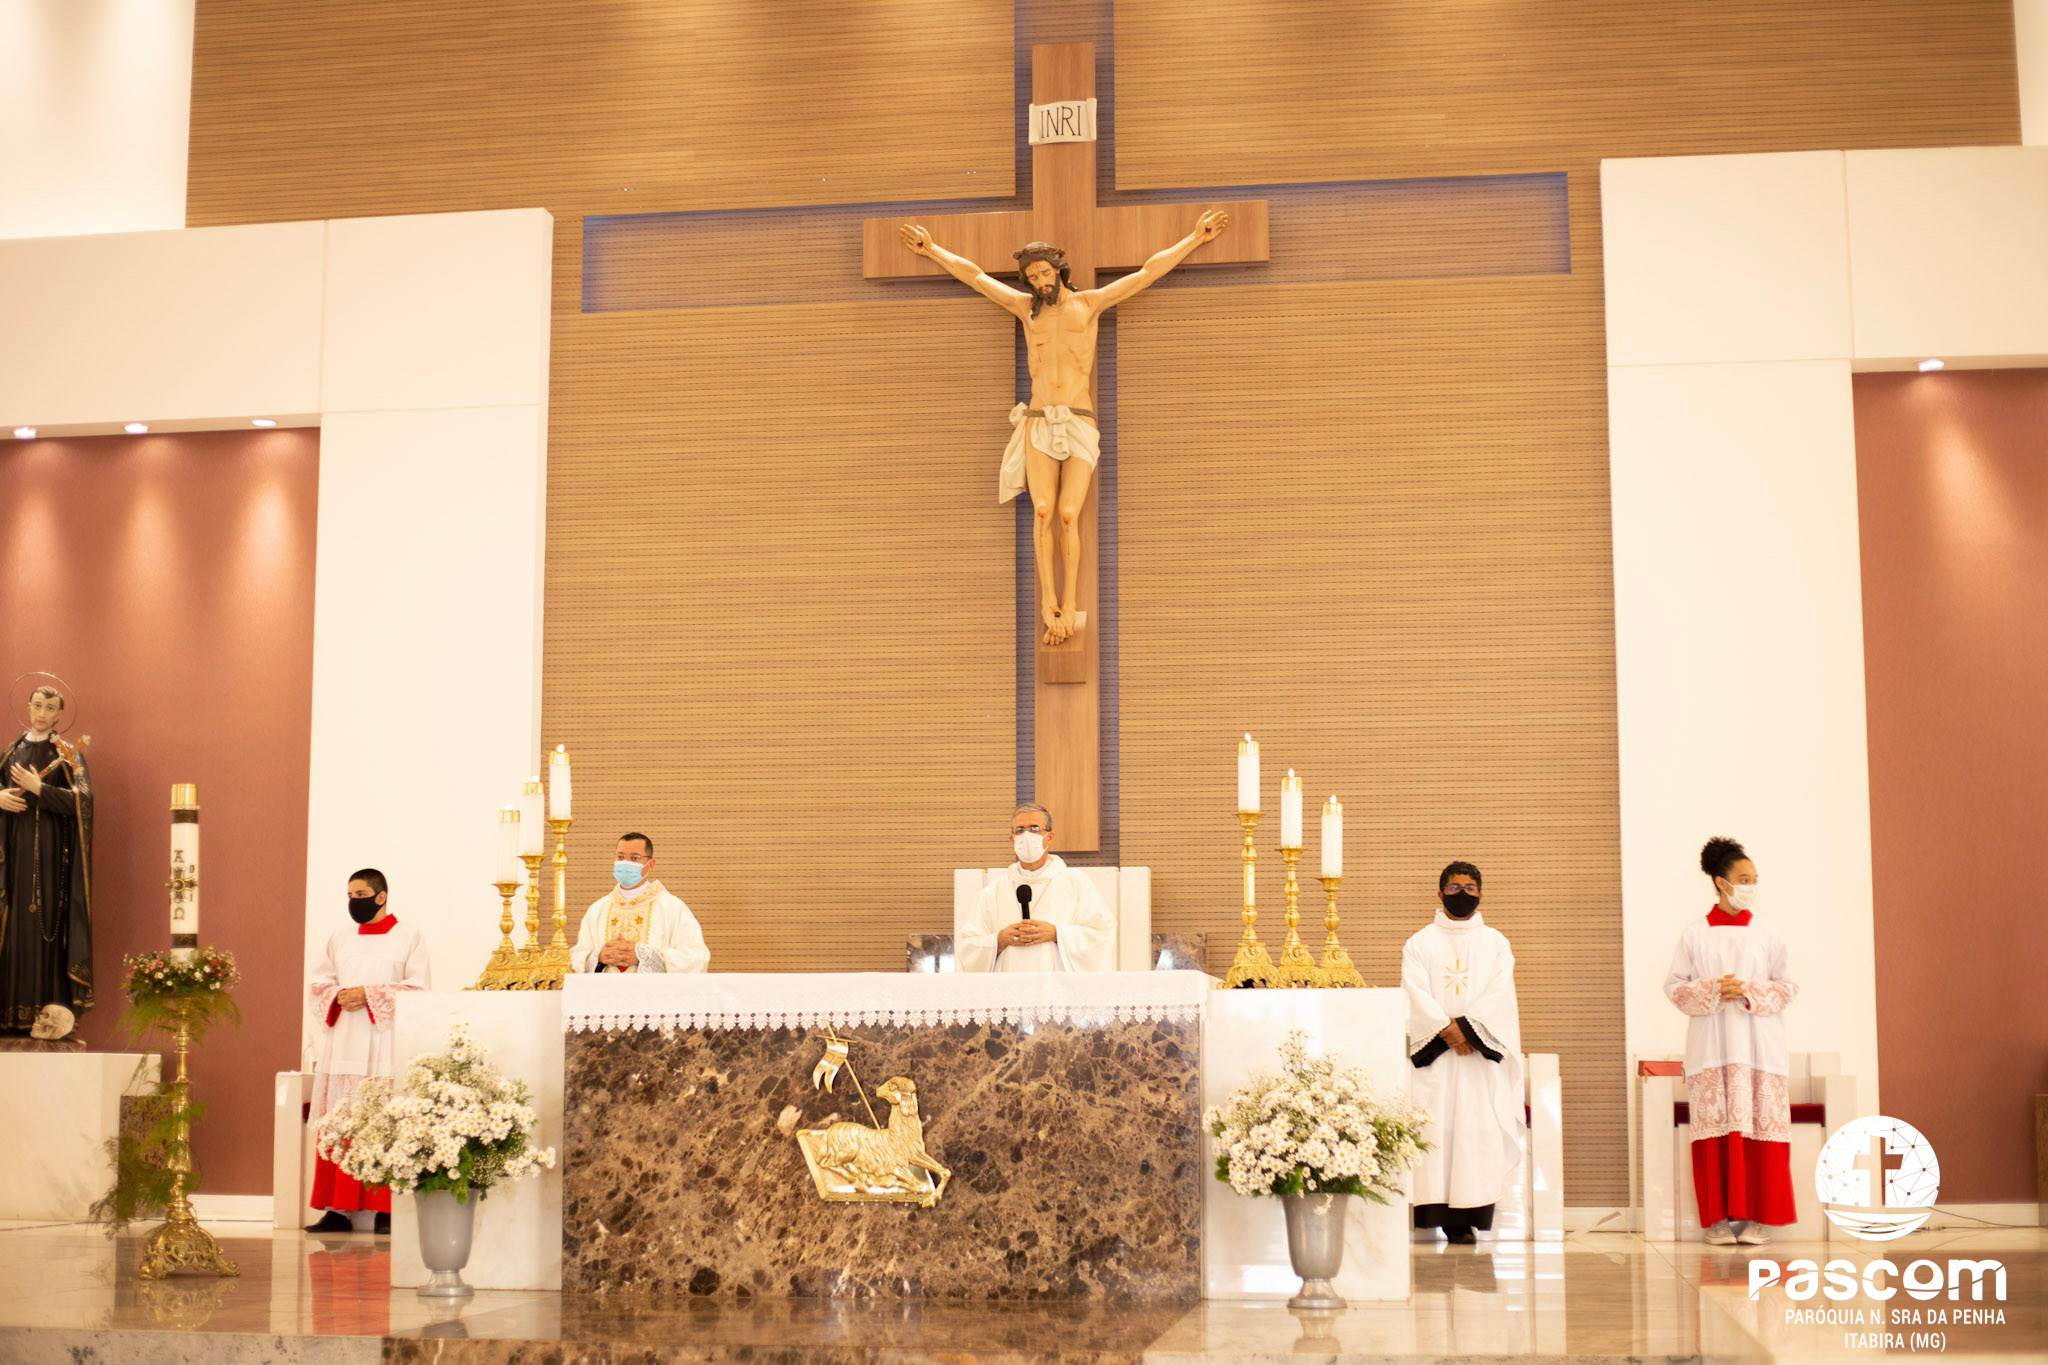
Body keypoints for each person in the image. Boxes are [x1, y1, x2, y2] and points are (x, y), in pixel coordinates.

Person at [899, 210, 1228, 645]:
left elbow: (1147, 273)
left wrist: (1195, 238)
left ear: (1059, 269)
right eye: (1032, 276)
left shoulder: (1088, 304)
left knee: (1069, 515)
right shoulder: (1026, 310)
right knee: (1042, 511)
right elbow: (977, 277)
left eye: (1044, 272)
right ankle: (1047, 602)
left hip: (1077, 421)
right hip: (1038, 420)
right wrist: (933, 251)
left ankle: (1070, 604)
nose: (1039, 281)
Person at [1664, 836, 1797, 1246]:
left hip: (1759, 1046)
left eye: (1754, 879)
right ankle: (1717, 1222)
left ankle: (1758, 1219)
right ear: (1721, 883)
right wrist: (1713, 989)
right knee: (1715, 1132)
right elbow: (1674, 988)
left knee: (1759, 1128)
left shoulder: (1767, 932)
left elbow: (1788, 986)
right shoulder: (1694, 935)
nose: (1750, 886)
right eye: (1743, 879)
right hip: (1712, 1045)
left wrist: (1749, 990)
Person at [1402, 861, 1525, 1244]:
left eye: (1469, 888)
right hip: (1437, 1058)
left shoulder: (1496, 943)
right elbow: (1414, 992)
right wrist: (1450, 1032)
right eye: (1454, 888)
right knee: (1435, 1130)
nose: (1462, 895)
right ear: (1439, 893)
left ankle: (1469, 1216)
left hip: (1477, 1059)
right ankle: (1435, 1214)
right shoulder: (1420, 942)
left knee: (1476, 1132)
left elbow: (1500, 994)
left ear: (1481, 894)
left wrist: (1469, 1030)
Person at [306, 868, 430, 1234]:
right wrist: (337, 995)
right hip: (344, 1041)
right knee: (340, 1120)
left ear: (381, 896)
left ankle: (386, 1209)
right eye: (349, 896)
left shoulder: (409, 935)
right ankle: (337, 1210)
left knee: (384, 1122)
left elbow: (419, 989)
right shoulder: (339, 937)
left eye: (360, 895)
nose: (353, 902)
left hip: (384, 1043)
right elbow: (318, 983)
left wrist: (370, 994)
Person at [0, 683, 94, 1036]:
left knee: (46, 928)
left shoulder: (67, 753)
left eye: (49, 708)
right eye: (37, 705)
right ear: (27, 707)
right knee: (13, 926)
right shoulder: (10, 752)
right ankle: (9, 1015)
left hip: (52, 860)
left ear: (59, 715)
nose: (41, 713)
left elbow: (83, 802)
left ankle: (47, 1016)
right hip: (12, 856)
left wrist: (40, 789)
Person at [957, 804, 1115, 973]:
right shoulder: (994, 890)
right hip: (1009, 983)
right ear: (1012, 839)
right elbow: (968, 947)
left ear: (1050, 837)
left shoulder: (1076, 882)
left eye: (1034, 828)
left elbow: (1102, 933)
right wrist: (1000, 940)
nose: (1027, 835)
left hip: (1057, 983)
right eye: (1020, 830)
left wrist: (1056, 933)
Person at [569, 833, 709, 973]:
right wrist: (599, 957)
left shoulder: (672, 908)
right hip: (605, 987)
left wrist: (645, 956)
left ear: (651, 864)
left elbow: (697, 958)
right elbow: (575, 958)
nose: (625, 863)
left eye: (634, 858)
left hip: (652, 988)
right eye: (620, 857)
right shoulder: (598, 909)